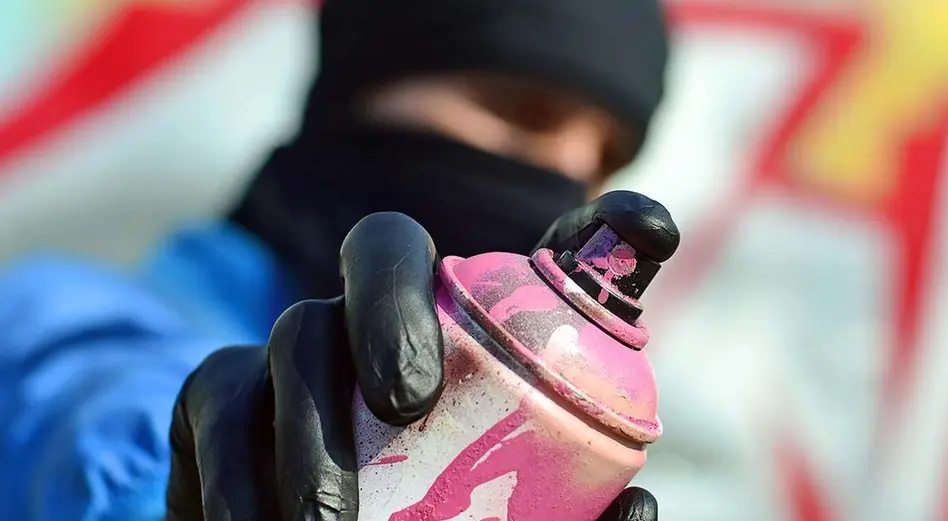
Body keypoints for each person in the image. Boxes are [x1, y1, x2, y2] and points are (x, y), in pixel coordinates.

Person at [0, 0, 676, 519]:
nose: (570, 171)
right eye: (524, 112)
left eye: (609, 159)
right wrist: (205, 481)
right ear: (360, 92)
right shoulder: (54, 316)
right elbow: (96, 416)